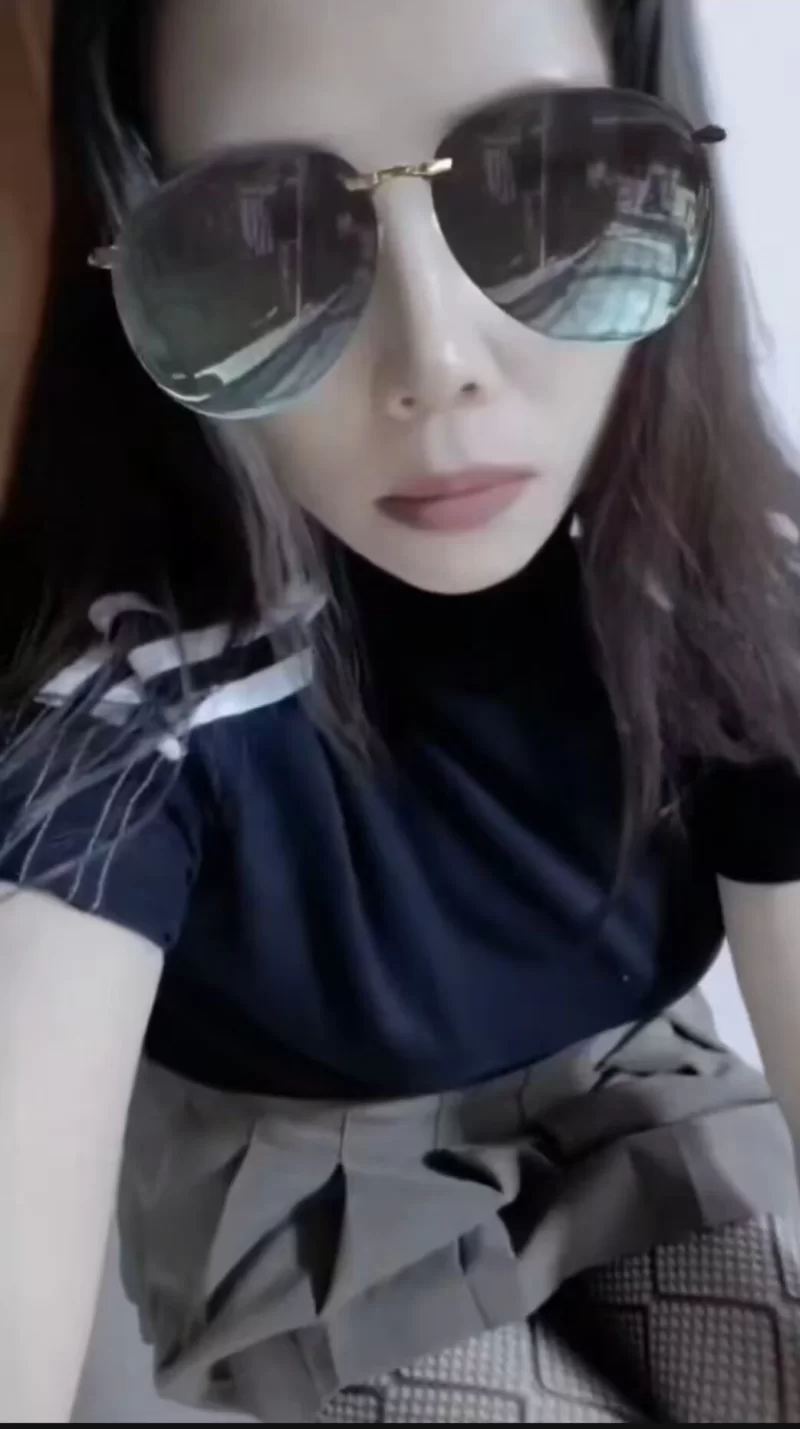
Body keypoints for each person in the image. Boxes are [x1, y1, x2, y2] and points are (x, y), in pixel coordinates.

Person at [3, 0, 800, 1420]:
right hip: (306, 1175)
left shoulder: (732, 587)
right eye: (264, 238)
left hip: (630, 1087)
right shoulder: (131, 702)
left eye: (545, 179)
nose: (435, 359)